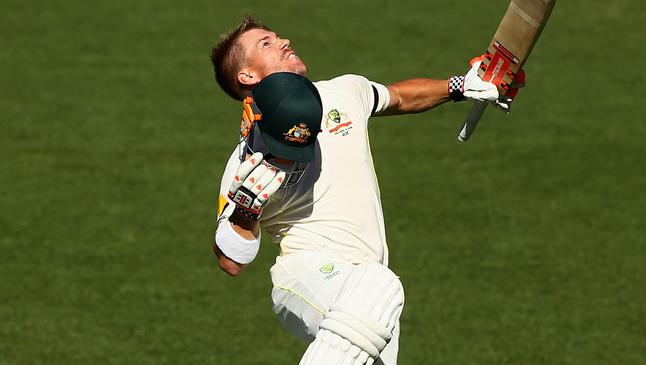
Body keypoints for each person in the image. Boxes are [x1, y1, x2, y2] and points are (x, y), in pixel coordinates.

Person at [210, 16, 518, 365]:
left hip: (369, 298)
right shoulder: (245, 162)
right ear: (247, 76)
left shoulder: (343, 90)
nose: (282, 41)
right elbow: (230, 261)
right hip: (308, 274)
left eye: (277, 36)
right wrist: (247, 212)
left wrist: (461, 85)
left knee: (376, 298)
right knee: (378, 286)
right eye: (265, 43)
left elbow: (399, 97)